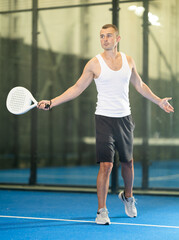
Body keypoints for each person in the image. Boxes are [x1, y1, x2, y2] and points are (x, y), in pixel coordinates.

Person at [38, 24, 174, 225]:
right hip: (103, 118)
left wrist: (159, 101)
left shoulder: (128, 60)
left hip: (125, 119)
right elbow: (77, 88)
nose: (105, 39)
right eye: (101, 36)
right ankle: (102, 211)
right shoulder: (94, 64)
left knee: (128, 163)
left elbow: (139, 85)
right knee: (106, 165)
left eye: (109, 36)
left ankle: (127, 196)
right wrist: (52, 102)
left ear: (118, 38)